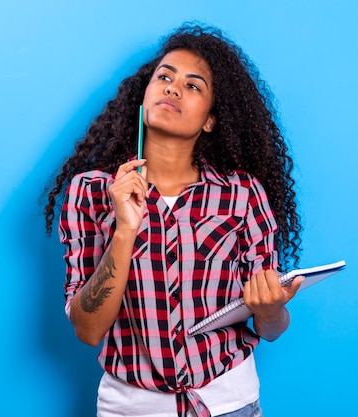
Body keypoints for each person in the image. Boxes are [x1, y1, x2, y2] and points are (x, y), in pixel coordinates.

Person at [44, 22, 302, 417]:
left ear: (210, 120)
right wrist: (125, 230)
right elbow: (88, 329)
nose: (173, 87)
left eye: (193, 85)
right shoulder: (92, 192)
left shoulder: (242, 194)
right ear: (144, 97)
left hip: (230, 404)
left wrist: (270, 310)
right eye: (164, 77)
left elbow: (271, 328)